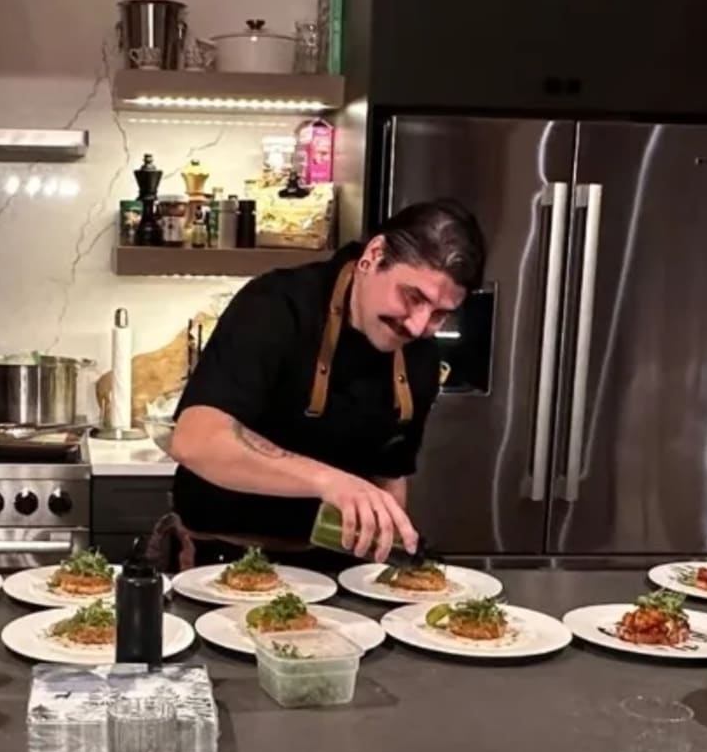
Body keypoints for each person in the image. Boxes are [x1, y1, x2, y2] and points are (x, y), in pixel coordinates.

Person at [168, 198, 487, 564]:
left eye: (440, 314)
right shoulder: (275, 306)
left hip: (337, 570)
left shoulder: (420, 354)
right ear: (373, 256)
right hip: (224, 559)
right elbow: (196, 440)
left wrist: (390, 564)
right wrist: (329, 481)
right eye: (412, 297)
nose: (418, 325)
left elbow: (389, 476)